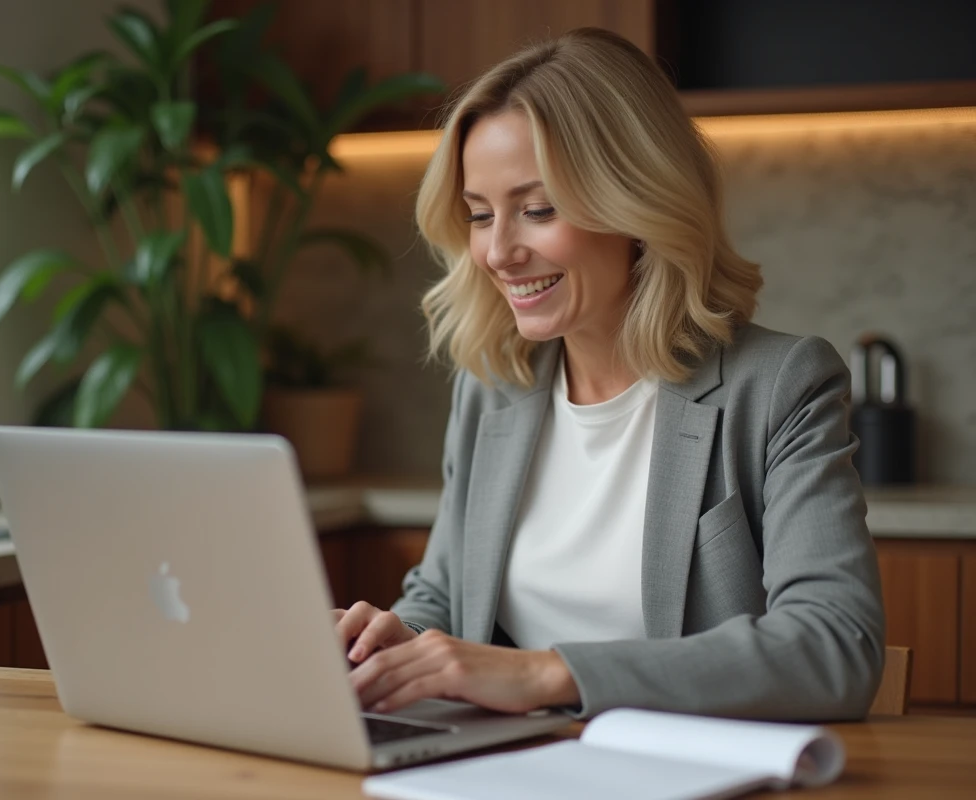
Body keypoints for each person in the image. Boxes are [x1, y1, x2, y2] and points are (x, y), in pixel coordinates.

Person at [333, 28, 885, 721]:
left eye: (538, 209)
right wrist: (391, 642)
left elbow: (835, 647)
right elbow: (443, 599)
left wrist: (547, 674)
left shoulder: (778, 386)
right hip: (503, 769)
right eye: (478, 215)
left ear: (638, 203)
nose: (498, 251)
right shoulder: (493, 386)